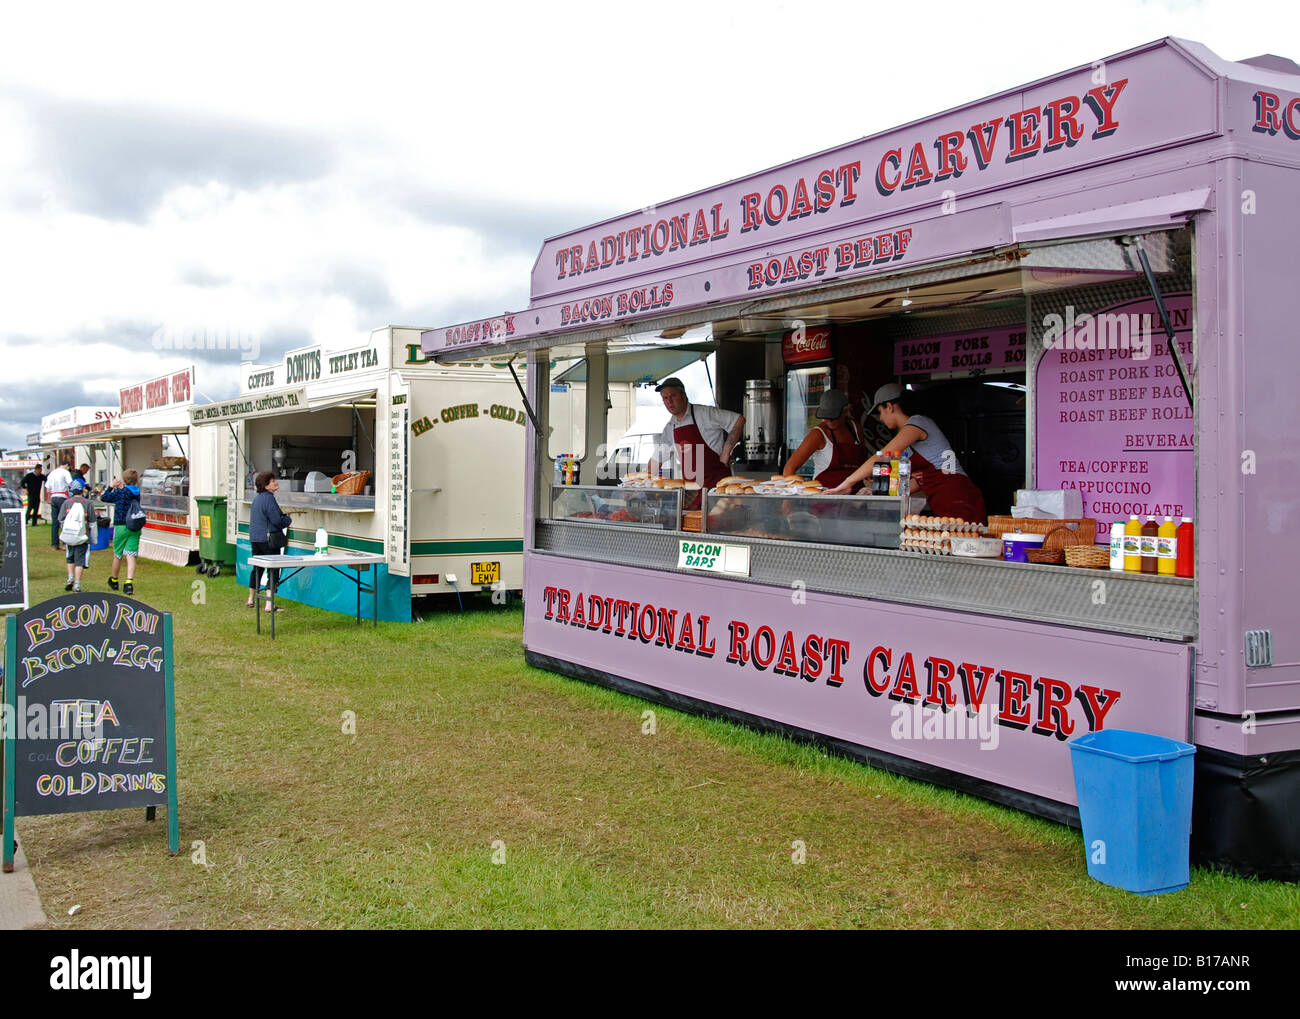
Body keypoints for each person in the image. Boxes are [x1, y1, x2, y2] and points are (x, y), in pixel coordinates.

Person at [828, 383, 987, 523]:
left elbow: (883, 455)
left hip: (959, 496)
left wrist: (847, 483)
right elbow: (922, 479)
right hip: (945, 500)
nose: (881, 418)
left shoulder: (917, 423)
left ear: (889, 406)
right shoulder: (910, 441)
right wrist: (880, 491)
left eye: (880, 412)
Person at [646, 377, 745, 495]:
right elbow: (656, 460)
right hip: (691, 493)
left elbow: (738, 420)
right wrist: (640, 485)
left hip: (717, 489)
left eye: (673, 396)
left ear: (684, 396)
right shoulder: (670, 428)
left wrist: (725, 453)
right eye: (665, 398)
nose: (669, 402)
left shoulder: (704, 413)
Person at [783, 390, 868, 489]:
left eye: (833, 417)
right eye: (825, 417)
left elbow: (863, 463)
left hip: (855, 495)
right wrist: (790, 497)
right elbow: (789, 468)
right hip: (824, 498)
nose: (828, 421)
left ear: (845, 412)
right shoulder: (818, 434)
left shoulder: (856, 429)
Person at [248, 471, 294, 612]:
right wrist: (287, 520)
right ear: (266, 486)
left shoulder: (257, 499)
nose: (276, 482)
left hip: (255, 539)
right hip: (268, 540)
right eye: (273, 481)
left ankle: (250, 598)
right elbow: (276, 520)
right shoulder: (269, 499)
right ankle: (269, 604)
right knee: (273, 570)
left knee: (257, 568)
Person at [101, 469, 143, 596]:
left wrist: (111, 487)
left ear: (124, 480)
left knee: (118, 554)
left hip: (121, 526)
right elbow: (128, 494)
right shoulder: (137, 492)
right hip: (135, 525)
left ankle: (114, 579)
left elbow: (104, 498)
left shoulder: (121, 493)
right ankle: (129, 583)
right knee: (131, 555)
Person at [57, 478, 95, 592]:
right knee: (80, 560)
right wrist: (94, 538)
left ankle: (70, 578)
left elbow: (60, 519)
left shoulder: (67, 503)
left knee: (70, 558)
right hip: (83, 537)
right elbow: (93, 522)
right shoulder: (88, 503)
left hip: (69, 537)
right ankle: (77, 583)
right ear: (83, 489)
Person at [44, 461, 73, 549]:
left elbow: (47, 490)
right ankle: (64, 543)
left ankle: (54, 544)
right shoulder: (65, 472)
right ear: (66, 465)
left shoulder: (52, 473)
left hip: (53, 497)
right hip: (62, 497)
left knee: (55, 522)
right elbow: (70, 484)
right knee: (64, 520)